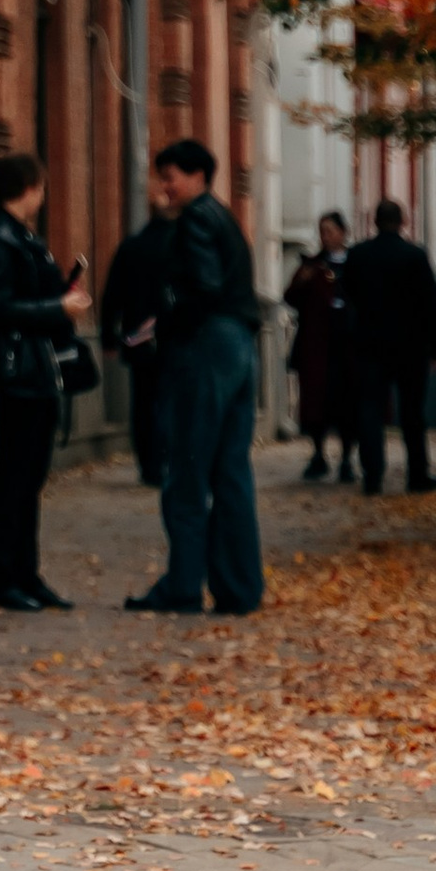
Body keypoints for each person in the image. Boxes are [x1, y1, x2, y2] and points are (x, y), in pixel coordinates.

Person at [126, 136, 266, 617]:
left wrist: (163, 324)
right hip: (239, 344)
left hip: (205, 347)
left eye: (171, 176)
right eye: (162, 177)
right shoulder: (223, 217)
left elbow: (201, 288)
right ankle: (239, 588)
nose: (164, 186)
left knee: (186, 469)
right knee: (230, 472)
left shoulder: (195, 221)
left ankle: (184, 586)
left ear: (197, 176)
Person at [0, 153, 92, 611]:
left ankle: (25, 574)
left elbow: (26, 296)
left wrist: (60, 297)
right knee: (15, 476)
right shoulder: (1, 239)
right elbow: (0, 307)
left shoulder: (20, 237)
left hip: (35, 366)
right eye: (40, 185)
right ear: (28, 187)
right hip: (19, 369)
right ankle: (3, 580)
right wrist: (59, 309)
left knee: (30, 475)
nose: (44, 194)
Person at [344, 194, 436, 495]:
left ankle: (372, 475)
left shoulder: (359, 255)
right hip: (409, 345)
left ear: (374, 221)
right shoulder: (414, 256)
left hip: (369, 343)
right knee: (413, 411)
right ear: (403, 221)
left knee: (370, 410)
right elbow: (431, 302)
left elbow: (349, 292)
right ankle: (417, 474)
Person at [99, 205, 177, 487]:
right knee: (170, 399)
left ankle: (148, 464)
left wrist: (109, 337)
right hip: (173, 338)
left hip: (137, 338)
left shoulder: (131, 247)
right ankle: (167, 459)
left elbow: (111, 296)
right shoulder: (179, 247)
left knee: (143, 401)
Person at [283, 212, 356, 482]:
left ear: (343, 231)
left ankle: (348, 457)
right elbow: (290, 297)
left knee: (348, 401)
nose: (325, 236)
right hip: (317, 345)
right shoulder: (312, 265)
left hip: (347, 344)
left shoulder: (355, 264)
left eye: (330, 230)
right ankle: (318, 454)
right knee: (316, 401)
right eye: (322, 230)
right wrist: (302, 280)